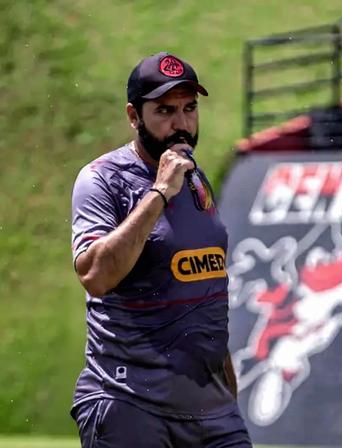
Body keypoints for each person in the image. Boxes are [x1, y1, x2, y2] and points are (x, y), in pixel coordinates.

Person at [69, 52, 252, 447]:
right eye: (165, 111)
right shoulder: (102, 179)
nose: (181, 123)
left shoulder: (196, 179)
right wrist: (159, 192)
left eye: (189, 108)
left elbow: (205, 295)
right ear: (134, 116)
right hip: (130, 403)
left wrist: (227, 398)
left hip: (211, 412)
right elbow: (96, 276)